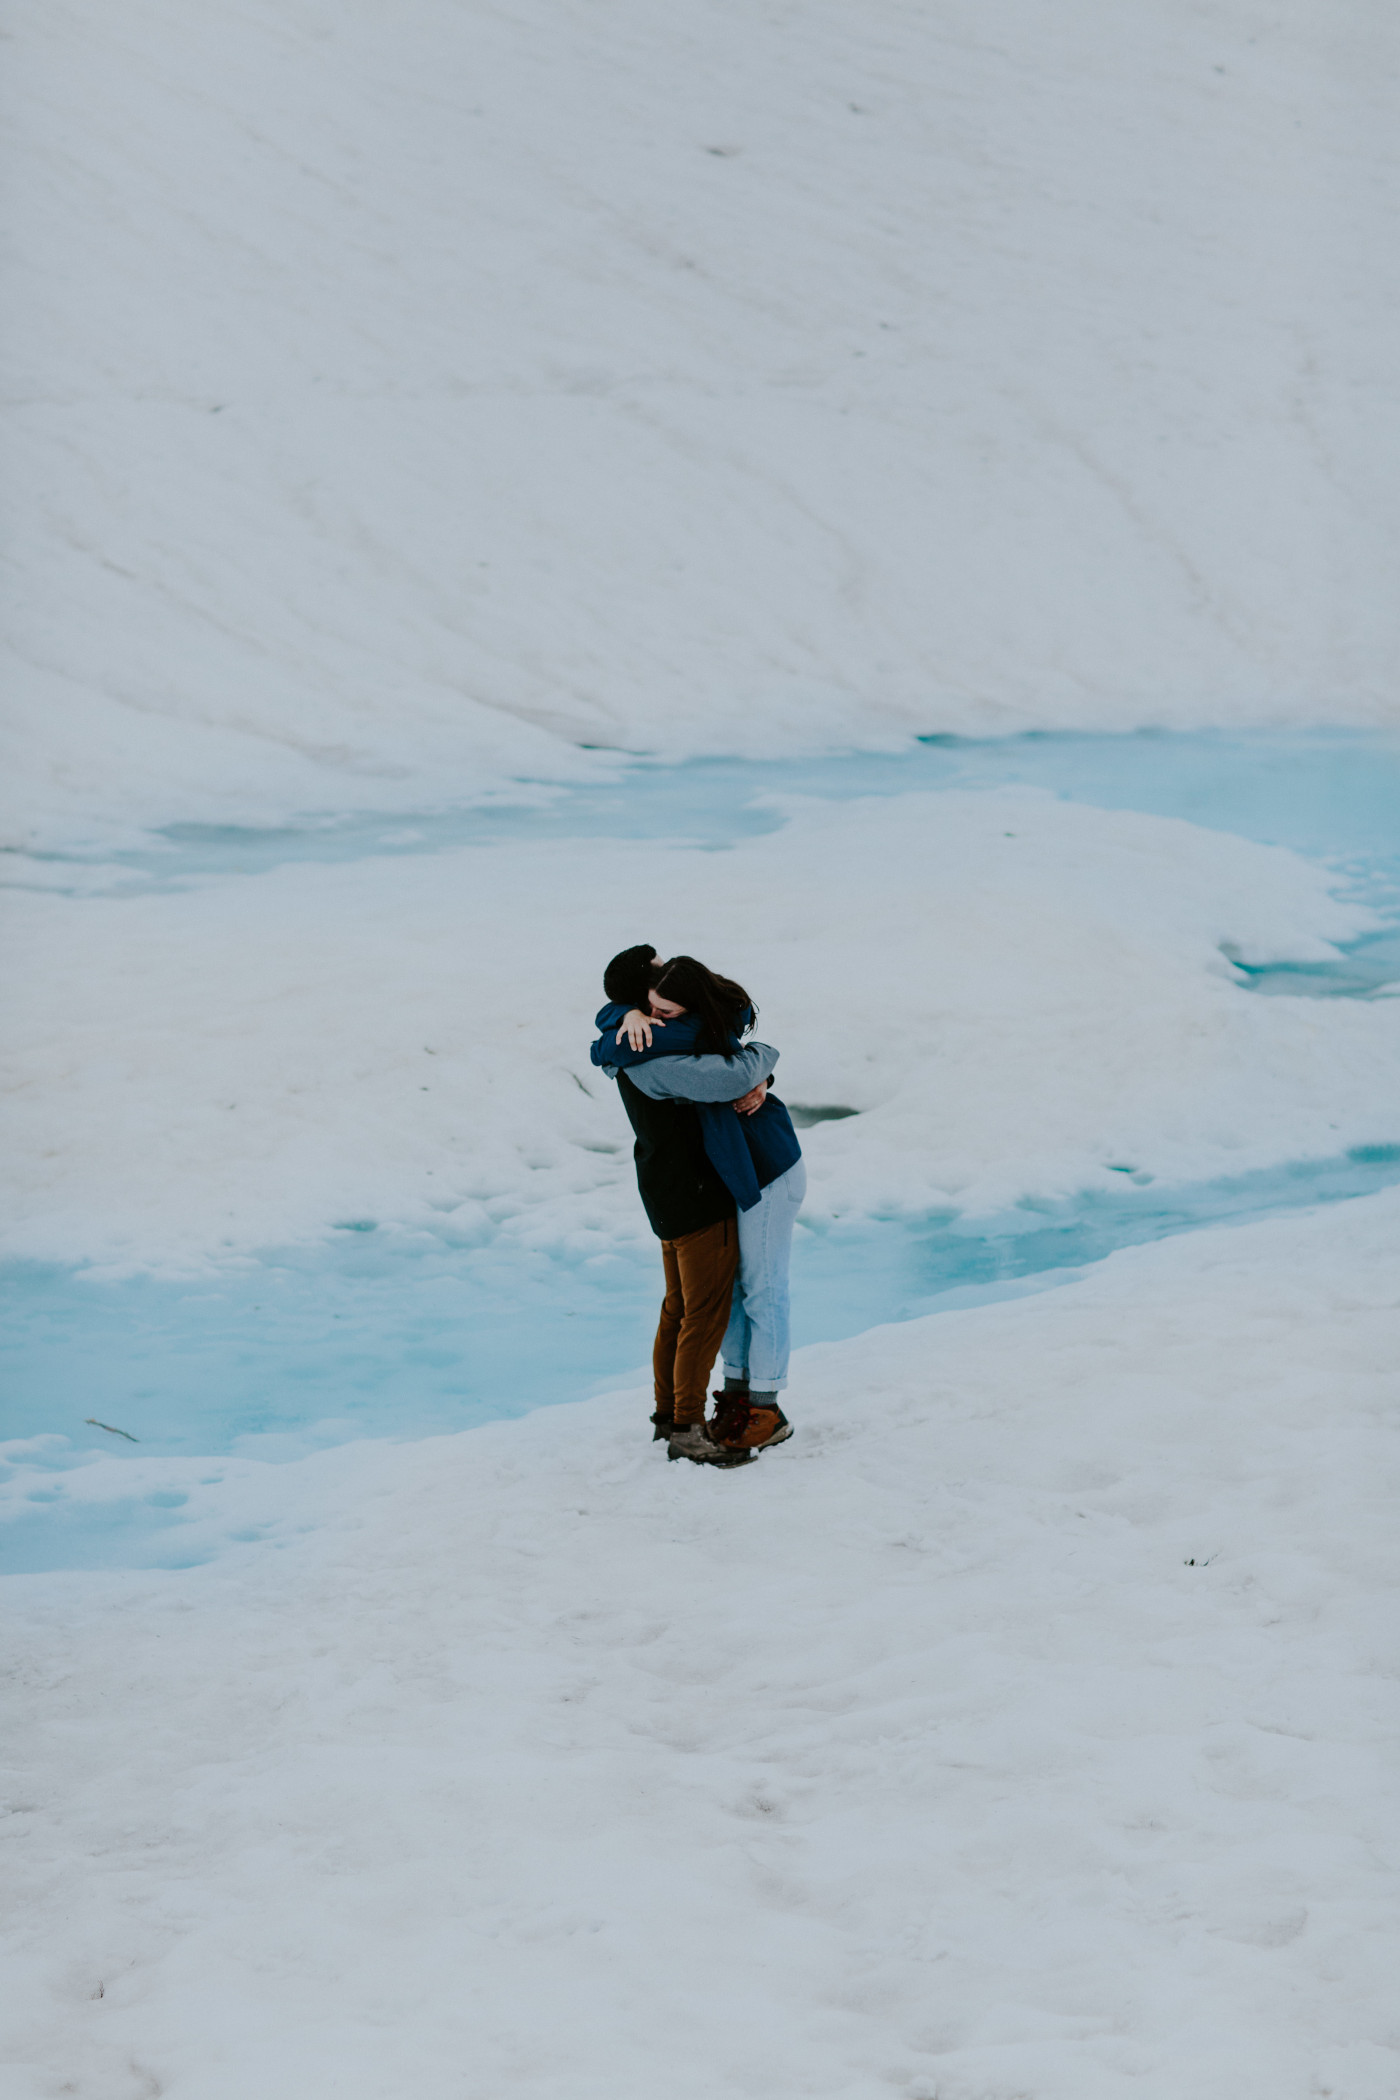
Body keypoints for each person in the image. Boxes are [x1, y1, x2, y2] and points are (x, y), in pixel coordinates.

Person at [591, 948, 805, 1465]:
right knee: (706, 1306)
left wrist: (761, 1069)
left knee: (745, 1293)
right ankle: (697, 1416)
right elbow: (731, 1066)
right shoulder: (654, 1048)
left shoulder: (666, 1041)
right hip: (707, 1185)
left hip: (757, 1171)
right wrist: (626, 1019)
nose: (658, 1020)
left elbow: (735, 1064)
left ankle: (750, 1408)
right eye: (652, 1008)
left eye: (666, 1010)